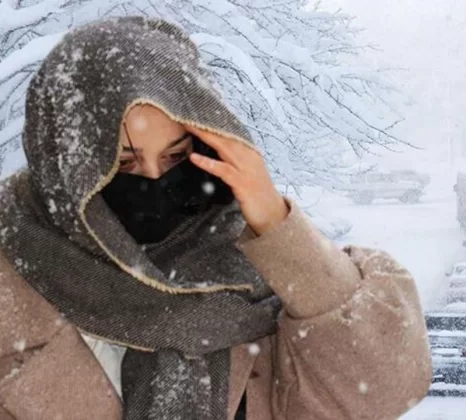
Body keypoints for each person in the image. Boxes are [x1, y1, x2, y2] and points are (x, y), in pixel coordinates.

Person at [0, 16, 431, 420]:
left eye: (175, 156)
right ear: (64, 167)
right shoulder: (16, 280)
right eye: (124, 164)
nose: (154, 180)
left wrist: (275, 221)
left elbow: (382, 387)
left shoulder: (260, 278)